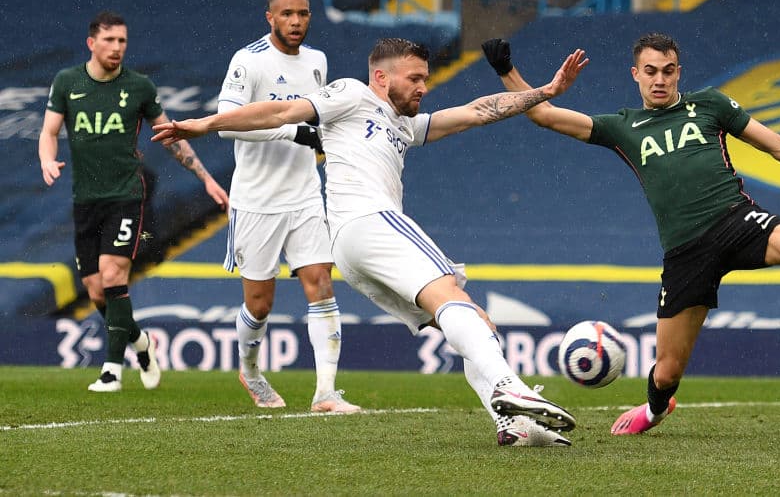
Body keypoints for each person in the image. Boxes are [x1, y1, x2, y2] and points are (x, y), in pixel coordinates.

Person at [479, 34, 780, 436]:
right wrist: (508, 70)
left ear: (679, 72)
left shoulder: (710, 106)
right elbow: (541, 115)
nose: (660, 79)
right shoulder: (622, 127)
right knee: (667, 372)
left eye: (668, 70)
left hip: (736, 220)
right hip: (686, 253)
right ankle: (654, 409)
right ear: (635, 75)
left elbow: (779, 146)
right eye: (651, 71)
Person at [152, 38, 588, 447]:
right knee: (453, 296)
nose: (423, 86)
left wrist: (547, 90)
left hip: (353, 249)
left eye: (425, 78)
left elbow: (477, 111)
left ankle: (513, 423)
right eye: (414, 78)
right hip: (370, 221)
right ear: (381, 78)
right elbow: (281, 113)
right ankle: (509, 388)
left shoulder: (404, 124)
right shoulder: (352, 94)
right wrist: (207, 123)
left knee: (471, 320)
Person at [39, 10, 230, 393]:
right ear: (91, 43)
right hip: (85, 201)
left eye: (122, 41)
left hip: (126, 196)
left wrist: (206, 178)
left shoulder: (139, 87)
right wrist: (46, 157)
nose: (117, 47)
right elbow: (49, 130)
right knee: (95, 291)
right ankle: (141, 343)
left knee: (113, 276)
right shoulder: (67, 82)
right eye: (109, 40)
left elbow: (171, 135)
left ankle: (111, 370)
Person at [217, 0, 358, 413]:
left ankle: (326, 393)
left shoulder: (317, 61)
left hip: (304, 195)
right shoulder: (248, 61)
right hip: (257, 199)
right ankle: (251, 370)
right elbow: (225, 124)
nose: (296, 22)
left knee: (321, 282)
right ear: (270, 18)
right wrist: (291, 130)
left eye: (303, 14)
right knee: (259, 305)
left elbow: (317, 118)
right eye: (287, 14)